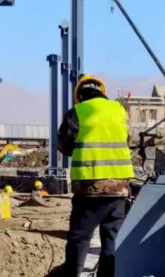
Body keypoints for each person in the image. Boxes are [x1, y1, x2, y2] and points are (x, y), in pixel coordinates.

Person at [55, 75, 134, 277]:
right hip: (119, 189)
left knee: (79, 239)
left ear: (79, 95)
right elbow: (128, 139)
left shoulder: (78, 112)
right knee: (112, 239)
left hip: (89, 189)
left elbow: (63, 144)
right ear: (101, 92)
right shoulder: (120, 110)